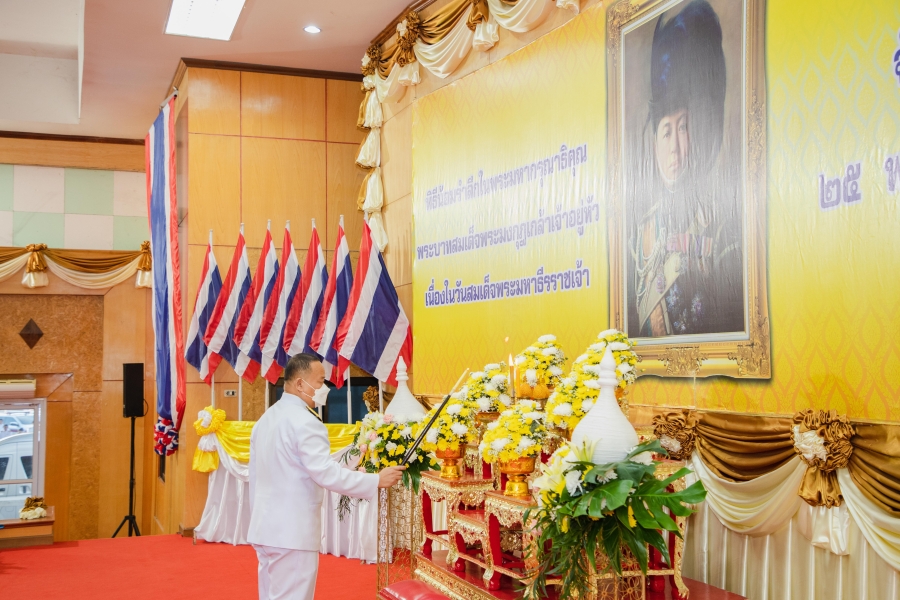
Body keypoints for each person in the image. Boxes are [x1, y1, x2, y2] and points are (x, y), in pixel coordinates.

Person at [627, 0, 744, 338]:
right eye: (666, 131)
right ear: (654, 142)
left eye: (683, 128)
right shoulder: (641, 236)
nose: (675, 146)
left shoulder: (722, 223)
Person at [248, 353, 405, 600]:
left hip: (265, 529)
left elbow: (261, 476)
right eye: (321, 382)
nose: (325, 389)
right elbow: (325, 474)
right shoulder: (305, 421)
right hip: (292, 533)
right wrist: (376, 480)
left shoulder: (266, 419)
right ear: (300, 384)